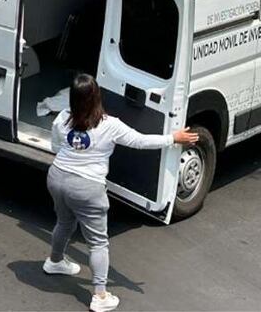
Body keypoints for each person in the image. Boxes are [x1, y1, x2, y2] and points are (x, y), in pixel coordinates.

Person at [44, 73, 198, 312]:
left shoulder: (62, 118)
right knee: (97, 242)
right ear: (97, 97)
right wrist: (173, 138)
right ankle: (100, 295)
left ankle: (55, 262)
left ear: (73, 98)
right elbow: (140, 141)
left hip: (57, 177)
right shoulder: (110, 125)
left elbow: (55, 147)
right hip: (87, 188)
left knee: (64, 222)